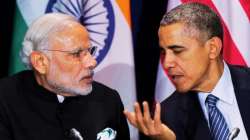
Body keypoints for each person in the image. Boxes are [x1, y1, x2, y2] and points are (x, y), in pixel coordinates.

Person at [124, 2, 250, 140]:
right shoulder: (167, 118)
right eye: (163, 52)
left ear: (212, 48)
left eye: (177, 51)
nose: (167, 63)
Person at [0, 13, 130, 140]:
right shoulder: (5, 99)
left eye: (90, 51)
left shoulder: (108, 100)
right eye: (77, 54)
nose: (92, 62)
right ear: (40, 62)